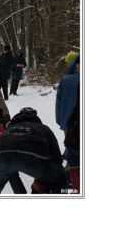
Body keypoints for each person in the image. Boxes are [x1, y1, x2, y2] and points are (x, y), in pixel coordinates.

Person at [0, 107, 68, 194]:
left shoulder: (10, 128)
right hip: (32, 159)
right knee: (60, 177)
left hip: (2, 156)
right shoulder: (43, 128)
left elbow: (0, 144)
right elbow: (57, 157)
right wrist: (54, 171)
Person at [56, 53, 80, 192]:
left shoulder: (66, 80)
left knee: (73, 148)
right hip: (72, 122)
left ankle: (70, 177)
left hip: (69, 123)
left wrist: (60, 120)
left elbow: (59, 103)